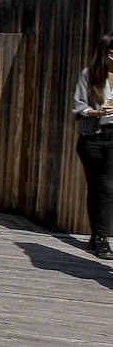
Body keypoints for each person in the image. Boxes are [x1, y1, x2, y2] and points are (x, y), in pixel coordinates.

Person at [73, 31, 113, 259]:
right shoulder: (89, 75)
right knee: (96, 187)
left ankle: (102, 239)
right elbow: (78, 106)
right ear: (108, 53)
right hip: (93, 137)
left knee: (109, 188)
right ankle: (95, 233)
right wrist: (96, 111)